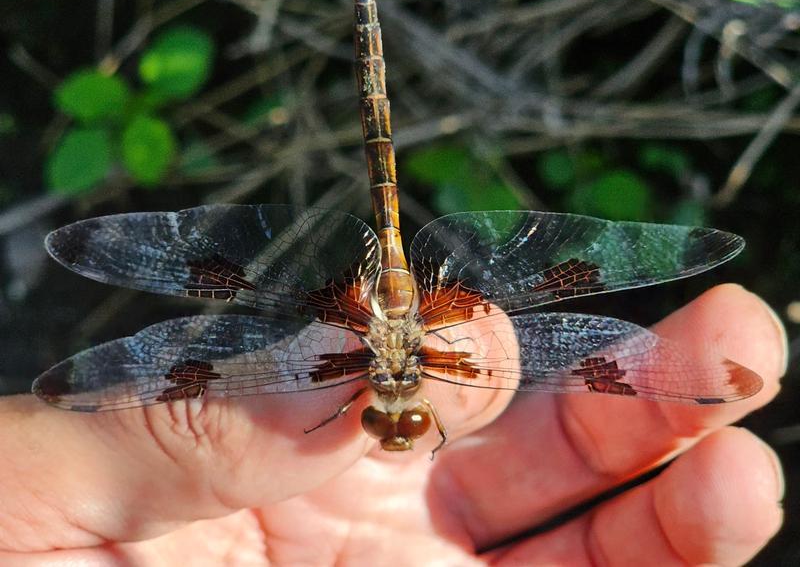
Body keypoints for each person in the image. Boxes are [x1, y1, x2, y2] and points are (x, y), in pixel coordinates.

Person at [0, 284, 784, 565]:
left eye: (392, 420)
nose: (391, 425)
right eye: (393, 419)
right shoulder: (343, 387)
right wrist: (250, 419)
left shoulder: (375, 393)